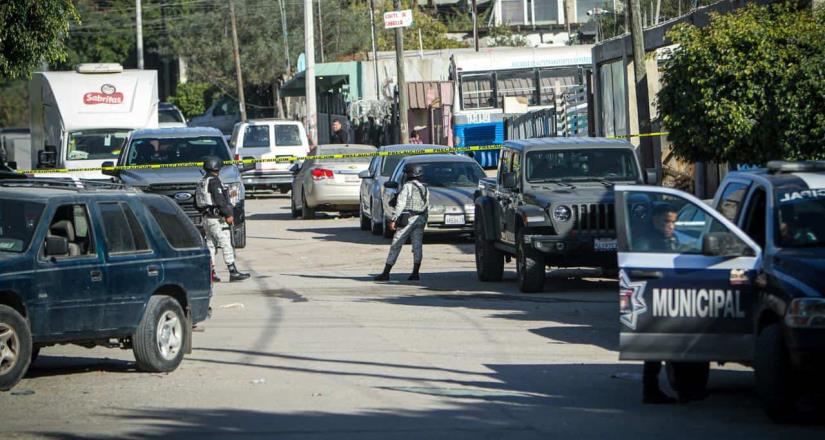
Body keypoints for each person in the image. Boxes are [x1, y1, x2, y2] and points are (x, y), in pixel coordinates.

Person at [637, 203, 679, 404]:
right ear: (654, 220)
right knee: (655, 348)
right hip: (653, 299)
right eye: (666, 221)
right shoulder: (647, 242)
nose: (670, 226)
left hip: (669, 298)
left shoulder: (672, 239)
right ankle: (650, 390)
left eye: (673, 222)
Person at [196, 156, 251, 283]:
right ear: (217, 168)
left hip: (206, 218)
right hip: (216, 219)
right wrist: (228, 214)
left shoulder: (202, 181)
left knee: (210, 244)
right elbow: (220, 200)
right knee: (226, 243)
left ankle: (211, 273)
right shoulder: (214, 181)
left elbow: (197, 202)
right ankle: (233, 271)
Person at [374, 164, 429, 281]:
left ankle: (386, 272)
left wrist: (394, 219)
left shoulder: (407, 187)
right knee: (417, 246)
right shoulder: (424, 188)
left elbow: (401, 204)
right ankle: (415, 273)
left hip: (407, 219)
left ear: (409, 174)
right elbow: (426, 206)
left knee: (396, 244)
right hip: (420, 219)